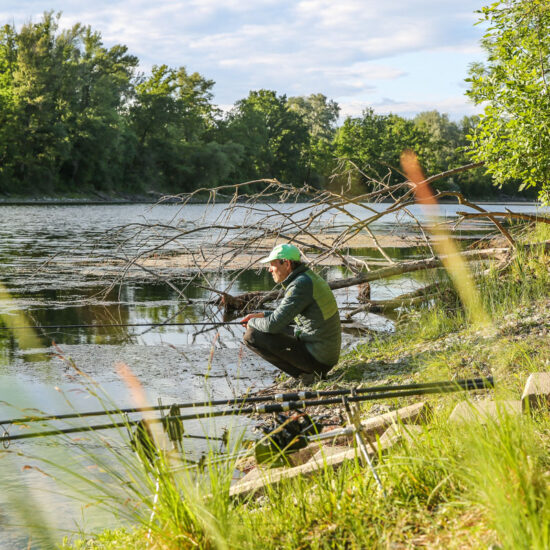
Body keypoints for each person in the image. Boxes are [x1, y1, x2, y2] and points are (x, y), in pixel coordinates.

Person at [240, 243, 341, 382]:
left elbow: (272, 325)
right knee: (264, 327)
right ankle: (308, 373)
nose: (269, 270)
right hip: (325, 353)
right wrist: (262, 315)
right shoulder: (307, 278)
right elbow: (288, 316)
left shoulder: (300, 284)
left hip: (320, 360)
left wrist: (251, 322)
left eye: (272, 264)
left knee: (251, 335)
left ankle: (305, 375)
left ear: (286, 264)